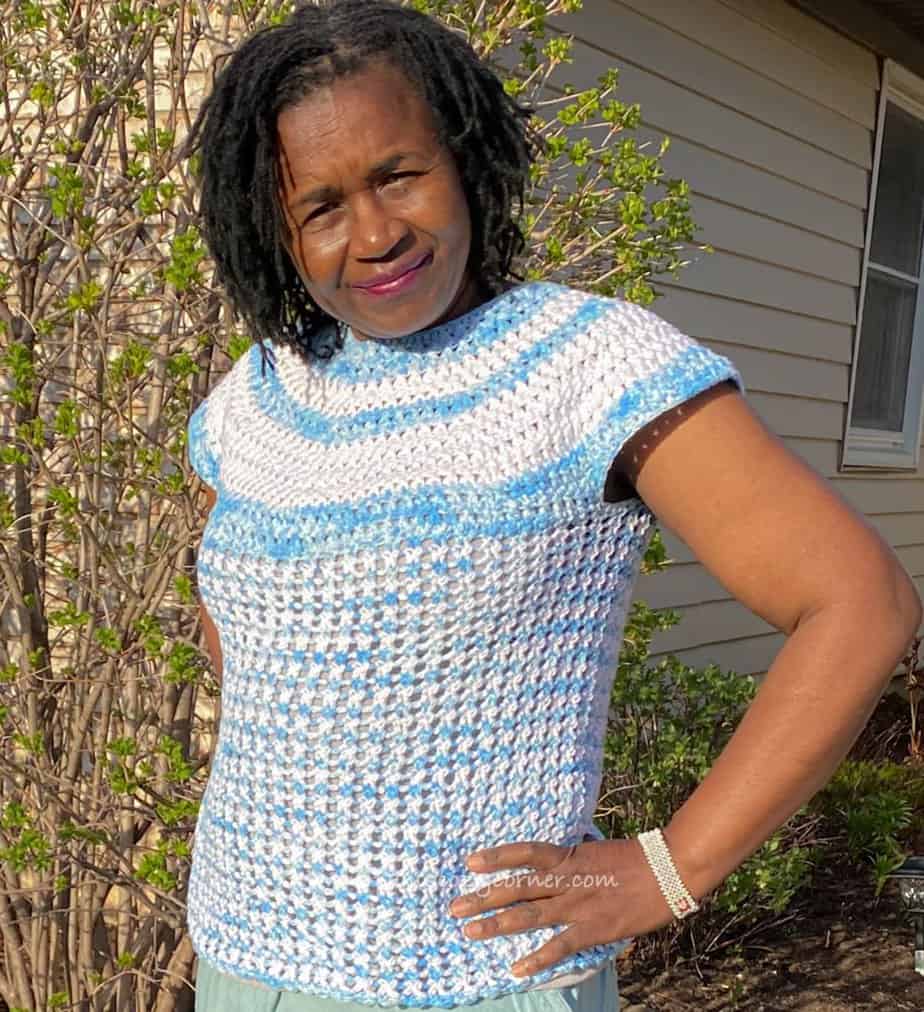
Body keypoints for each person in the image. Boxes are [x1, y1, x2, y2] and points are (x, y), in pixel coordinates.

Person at [181, 1, 923, 1010]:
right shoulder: (254, 400)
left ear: (466, 155)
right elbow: (246, 638)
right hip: (242, 955)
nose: (375, 231)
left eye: (400, 174)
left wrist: (676, 864)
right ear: (274, 229)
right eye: (320, 206)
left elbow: (860, 602)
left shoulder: (590, 367)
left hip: (484, 978)